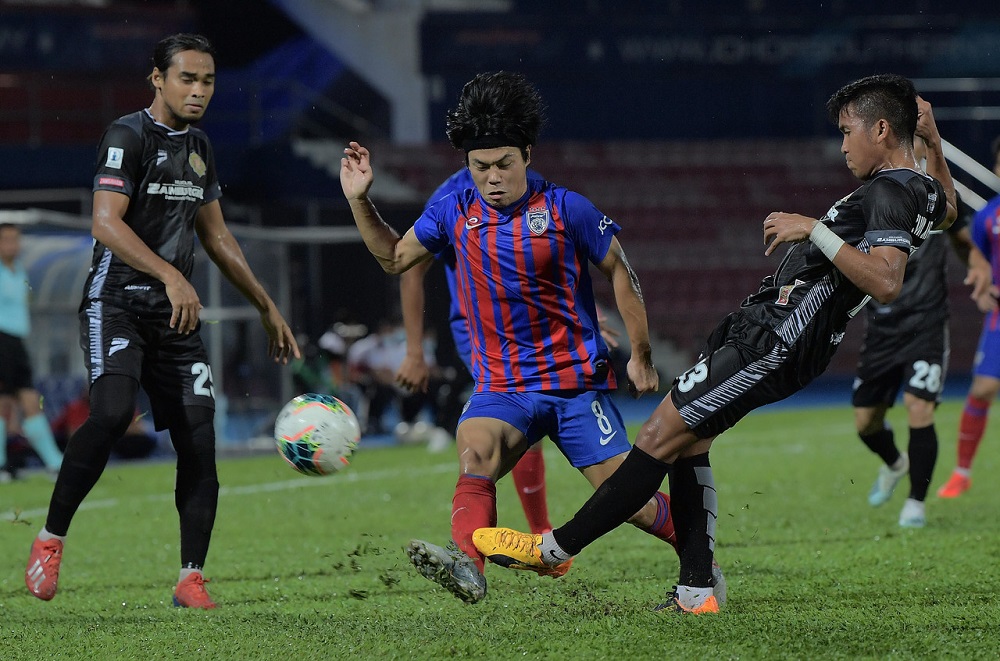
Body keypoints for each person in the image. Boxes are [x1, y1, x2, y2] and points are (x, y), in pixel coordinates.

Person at [473, 74, 957, 614]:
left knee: (658, 434)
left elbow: (887, 282)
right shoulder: (917, 187)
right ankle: (696, 591)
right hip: (770, 330)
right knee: (688, 442)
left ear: (882, 129)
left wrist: (813, 228)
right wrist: (933, 147)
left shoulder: (889, 189)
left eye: (848, 132)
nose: (842, 145)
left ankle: (552, 548)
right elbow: (947, 211)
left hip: (779, 336)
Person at [341, 71, 692, 605]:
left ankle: (699, 559)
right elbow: (394, 258)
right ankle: (468, 567)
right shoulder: (453, 205)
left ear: (527, 154)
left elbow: (621, 271)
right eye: (480, 167)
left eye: (505, 163)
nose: (493, 177)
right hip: (503, 386)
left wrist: (641, 355)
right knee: (475, 450)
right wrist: (359, 200)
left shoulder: (565, 208)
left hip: (574, 384)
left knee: (632, 502)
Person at [24, 33, 300, 609]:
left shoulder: (199, 145)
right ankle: (50, 540)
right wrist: (171, 275)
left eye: (208, 81)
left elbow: (217, 234)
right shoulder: (127, 135)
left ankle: (190, 577)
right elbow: (105, 223)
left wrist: (265, 305)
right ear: (158, 78)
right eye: (187, 79)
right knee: (112, 411)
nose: (199, 90)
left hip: (175, 316)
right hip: (117, 301)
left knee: (200, 441)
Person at [396, 167, 559, 531]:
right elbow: (410, 268)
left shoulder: (535, 189)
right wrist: (413, 351)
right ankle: (518, 540)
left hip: (539, 331)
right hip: (484, 336)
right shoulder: (450, 197)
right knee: (514, 421)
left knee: (532, 427)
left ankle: (530, 540)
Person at [853, 128, 995, 527]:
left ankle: (916, 501)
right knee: (866, 423)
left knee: (920, 409)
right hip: (882, 327)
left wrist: (980, 267)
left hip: (926, 324)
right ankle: (896, 463)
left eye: (918, 152)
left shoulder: (938, 196)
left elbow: (966, 238)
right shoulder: (873, 195)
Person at [937, 136, 1000, 498]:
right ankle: (962, 472)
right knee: (983, 388)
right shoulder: (989, 216)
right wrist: (981, 287)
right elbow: (978, 259)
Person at [0, 222, 64, 482]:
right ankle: (54, 463)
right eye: (6, 240)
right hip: (2, 339)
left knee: (12, 403)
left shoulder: (19, 270)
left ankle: (8, 466)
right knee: (21, 400)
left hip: (16, 342)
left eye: (16, 239)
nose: (12, 245)